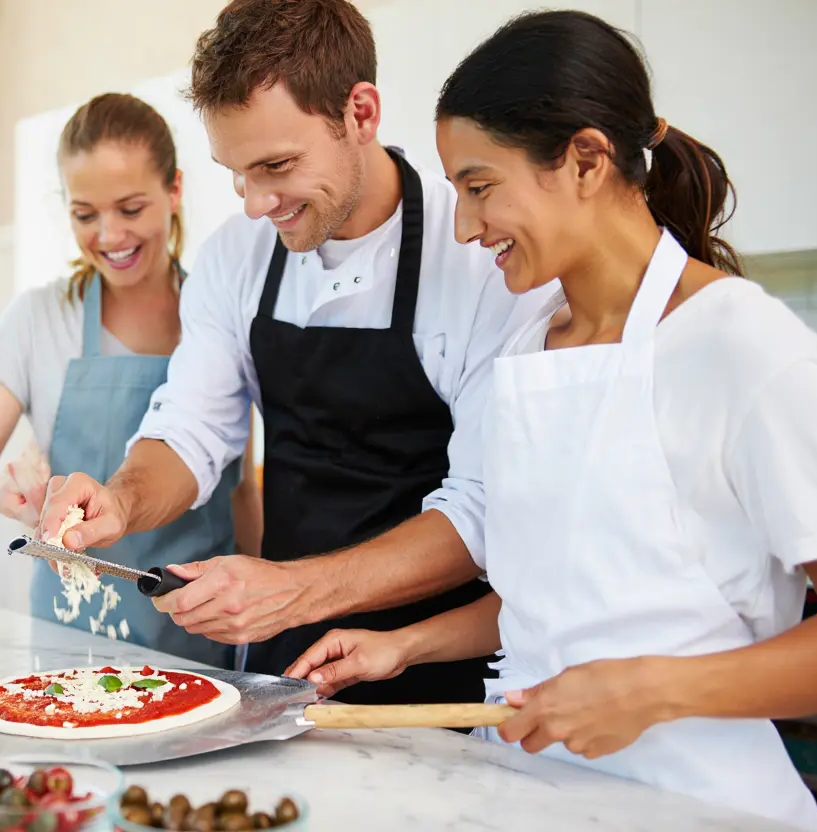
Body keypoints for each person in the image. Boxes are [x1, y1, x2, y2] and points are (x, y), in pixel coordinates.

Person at [285, 10, 817, 828]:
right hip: (534, 797)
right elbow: (566, 596)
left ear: (585, 160)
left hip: (705, 809)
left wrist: (652, 692)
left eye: (479, 187)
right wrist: (406, 645)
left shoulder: (740, 345)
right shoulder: (528, 351)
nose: (465, 228)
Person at [38, 0, 543, 706]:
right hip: (278, 671)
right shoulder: (235, 257)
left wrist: (297, 590)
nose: (253, 203)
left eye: (276, 165)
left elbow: (486, 511)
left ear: (360, 113)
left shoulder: (478, 258)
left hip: (438, 676)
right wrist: (121, 500)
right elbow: (192, 428)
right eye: (236, 172)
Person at [0, 92, 261, 668]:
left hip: (196, 643)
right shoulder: (38, 320)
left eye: (130, 208)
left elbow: (242, 491)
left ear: (174, 190)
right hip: (70, 644)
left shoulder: (219, 316)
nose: (109, 235)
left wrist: (259, 631)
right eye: (85, 214)